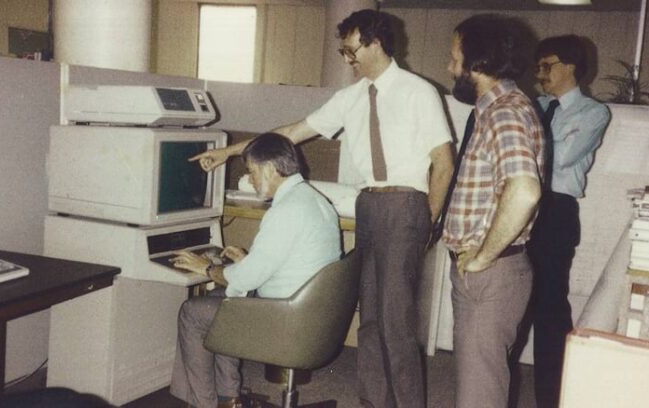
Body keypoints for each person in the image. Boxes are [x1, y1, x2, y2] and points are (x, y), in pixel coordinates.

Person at [191, 10, 453, 407]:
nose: (347, 60)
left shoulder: (419, 91)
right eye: (343, 52)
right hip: (369, 203)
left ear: (375, 43)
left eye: (351, 51)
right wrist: (228, 151)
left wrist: (427, 221)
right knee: (370, 322)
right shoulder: (349, 99)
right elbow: (290, 134)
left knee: (396, 325)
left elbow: (444, 162)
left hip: (406, 204)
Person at [169, 133, 341, 408]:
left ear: (270, 169)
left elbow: (247, 279)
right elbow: (288, 261)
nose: (250, 180)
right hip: (313, 316)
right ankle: (229, 399)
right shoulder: (314, 200)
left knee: (193, 312)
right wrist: (247, 261)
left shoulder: (286, 210)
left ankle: (204, 404)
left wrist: (209, 267)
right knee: (225, 301)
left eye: (251, 172)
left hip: (287, 321)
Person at [441, 15, 544, 408]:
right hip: (488, 272)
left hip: (493, 273)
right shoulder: (496, 109)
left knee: (479, 392)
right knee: (478, 384)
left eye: (454, 58)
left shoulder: (504, 112)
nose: (450, 67)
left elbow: (524, 189)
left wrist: (484, 255)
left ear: (478, 63)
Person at [527, 34, 611, 408]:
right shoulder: (536, 106)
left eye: (548, 66)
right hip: (522, 202)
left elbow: (559, 158)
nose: (540, 73)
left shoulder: (593, 113)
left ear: (571, 67)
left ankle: (551, 399)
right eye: (539, 66)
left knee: (549, 307)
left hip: (556, 211)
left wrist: (526, 142)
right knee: (512, 302)